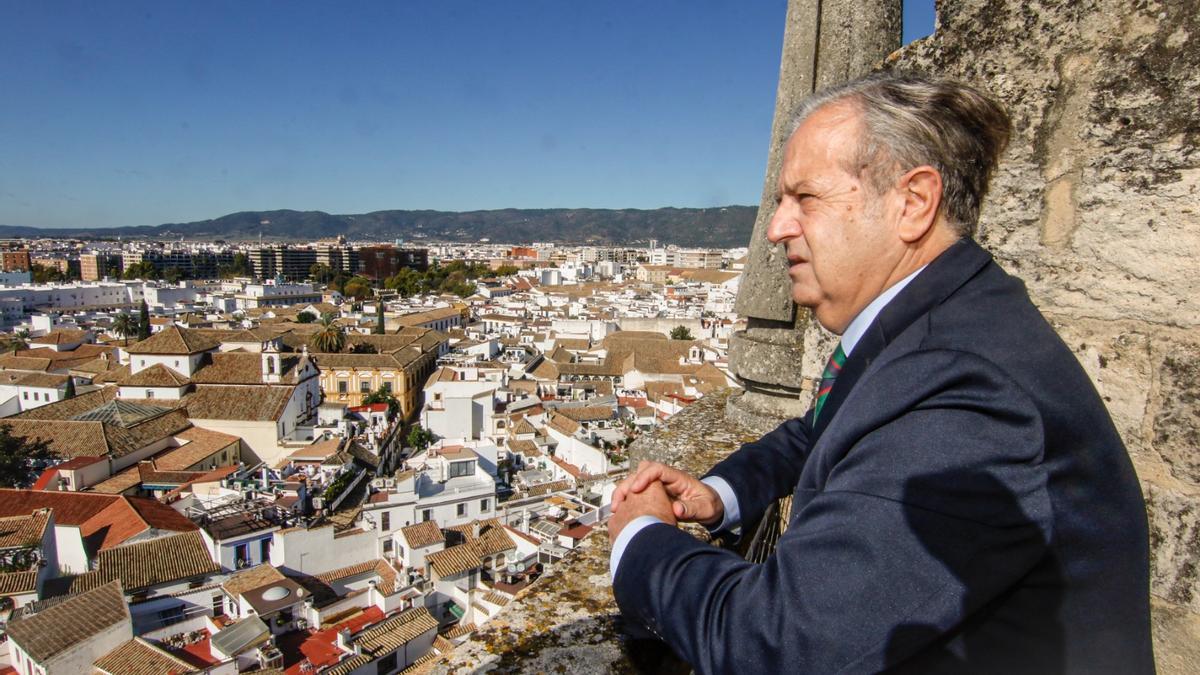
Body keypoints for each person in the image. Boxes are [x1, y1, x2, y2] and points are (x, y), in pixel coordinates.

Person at [608, 73, 1153, 674]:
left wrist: (641, 540)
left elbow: (777, 646)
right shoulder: (943, 325)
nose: (775, 228)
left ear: (913, 202)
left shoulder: (965, 388)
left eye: (804, 198)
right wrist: (722, 495)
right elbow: (824, 428)